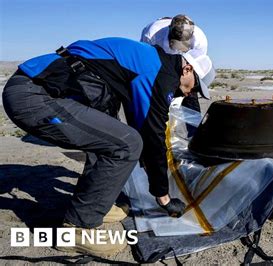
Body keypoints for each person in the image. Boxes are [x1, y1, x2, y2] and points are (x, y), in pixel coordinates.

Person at [2, 37, 215, 255]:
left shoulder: (152, 61)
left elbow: (141, 123)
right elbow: (152, 136)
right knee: (127, 144)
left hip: (44, 89)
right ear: (187, 69)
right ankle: (78, 228)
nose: (191, 93)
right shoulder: (160, 73)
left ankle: (93, 205)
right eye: (195, 86)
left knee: (112, 136)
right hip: (34, 95)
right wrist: (163, 197)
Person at [141, 14, 208, 113]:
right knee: (157, 101)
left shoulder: (200, 40)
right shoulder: (151, 35)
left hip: (184, 68)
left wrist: (185, 85)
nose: (178, 48)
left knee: (191, 102)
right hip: (160, 65)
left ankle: (195, 127)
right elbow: (146, 63)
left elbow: (197, 67)